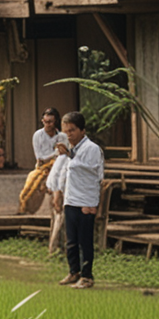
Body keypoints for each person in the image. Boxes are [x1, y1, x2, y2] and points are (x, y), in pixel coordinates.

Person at [56, 110, 103, 290]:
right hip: (71, 199)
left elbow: (91, 171)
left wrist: (69, 155)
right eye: (66, 131)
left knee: (85, 241)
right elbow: (69, 171)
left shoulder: (91, 148)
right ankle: (74, 271)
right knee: (71, 241)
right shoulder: (73, 150)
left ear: (82, 130)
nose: (69, 134)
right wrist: (60, 194)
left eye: (72, 130)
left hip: (86, 200)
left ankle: (87, 276)